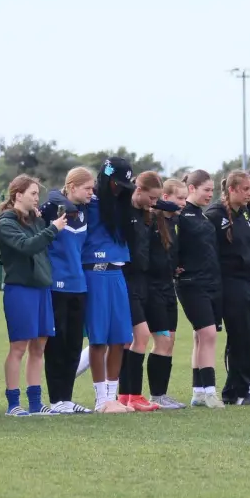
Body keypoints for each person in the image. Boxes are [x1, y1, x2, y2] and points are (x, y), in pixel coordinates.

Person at [0, 175, 68, 416]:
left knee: (39, 347)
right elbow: (27, 246)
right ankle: (13, 404)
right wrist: (53, 229)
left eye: (38, 194)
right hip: (20, 289)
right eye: (33, 193)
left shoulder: (35, 220)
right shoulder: (6, 222)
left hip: (42, 288)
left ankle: (36, 403)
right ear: (18, 195)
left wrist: (46, 226)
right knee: (18, 347)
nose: (38, 198)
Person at [205, 171, 250, 404]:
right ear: (231, 190)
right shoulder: (215, 215)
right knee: (240, 336)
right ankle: (234, 392)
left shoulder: (247, 213)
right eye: (246, 189)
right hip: (231, 283)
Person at [80, 157, 140, 413]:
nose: (119, 189)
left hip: (117, 274)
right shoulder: (89, 202)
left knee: (120, 338)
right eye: (116, 183)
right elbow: (61, 196)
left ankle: (111, 397)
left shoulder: (123, 205)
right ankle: (100, 399)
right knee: (99, 339)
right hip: (95, 273)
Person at [41, 167, 97, 414]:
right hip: (57, 285)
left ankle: (66, 398)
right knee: (57, 344)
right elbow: (53, 195)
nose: (91, 192)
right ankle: (56, 400)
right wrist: (61, 201)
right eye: (87, 188)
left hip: (79, 285)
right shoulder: (51, 209)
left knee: (74, 344)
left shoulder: (85, 210)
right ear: (72, 187)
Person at [175, 170, 224, 408]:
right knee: (208, 334)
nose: (210, 194)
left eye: (212, 190)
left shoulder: (202, 216)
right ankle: (211, 391)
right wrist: (174, 266)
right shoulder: (181, 215)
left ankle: (198, 392)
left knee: (200, 336)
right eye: (206, 190)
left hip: (211, 282)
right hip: (191, 284)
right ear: (191, 188)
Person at [118, 171, 166, 410]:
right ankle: (133, 395)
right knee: (141, 336)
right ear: (138, 190)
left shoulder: (146, 214)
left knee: (131, 341)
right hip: (124, 280)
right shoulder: (123, 211)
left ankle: (126, 396)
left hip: (142, 281)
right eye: (152, 197)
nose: (154, 203)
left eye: (157, 199)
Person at [143, 178, 187, 408]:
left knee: (170, 342)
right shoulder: (150, 220)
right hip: (153, 289)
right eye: (180, 198)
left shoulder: (175, 222)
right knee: (162, 340)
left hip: (169, 287)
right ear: (165, 197)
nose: (184, 202)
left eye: (185, 198)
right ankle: (156, 395)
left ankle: (162, 394)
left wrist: (175, 266)